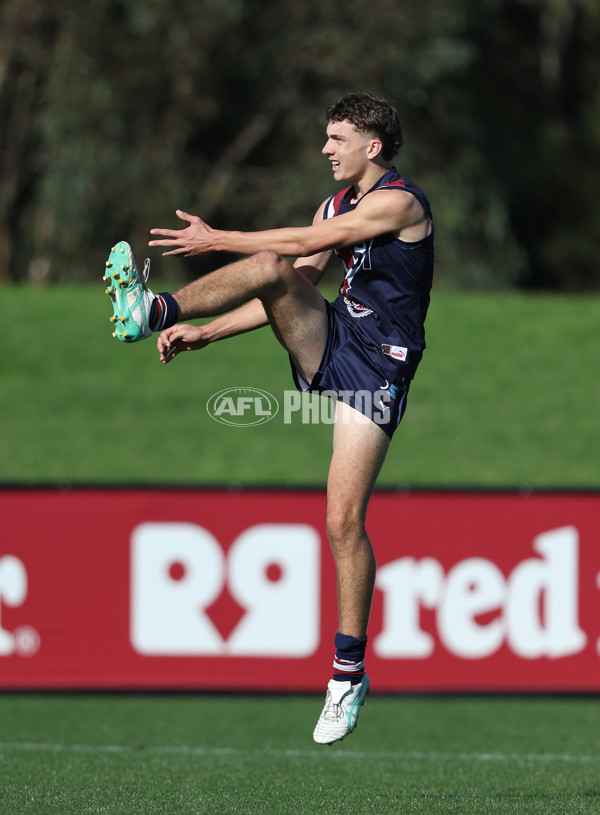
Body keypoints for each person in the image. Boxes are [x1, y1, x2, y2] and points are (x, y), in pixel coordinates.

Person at [103, 89, 434, 744]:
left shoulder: (400, 201)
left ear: (372, 147)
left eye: (336, 139)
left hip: (382, 368)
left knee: (342, 520)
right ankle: (158, 313)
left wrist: (215, 236)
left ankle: (347, 674)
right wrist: (205, 331)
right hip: (335, 337)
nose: (324, 149)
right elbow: (291, 280)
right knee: (266, 268)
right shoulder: (335, 201)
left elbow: (314, 240)